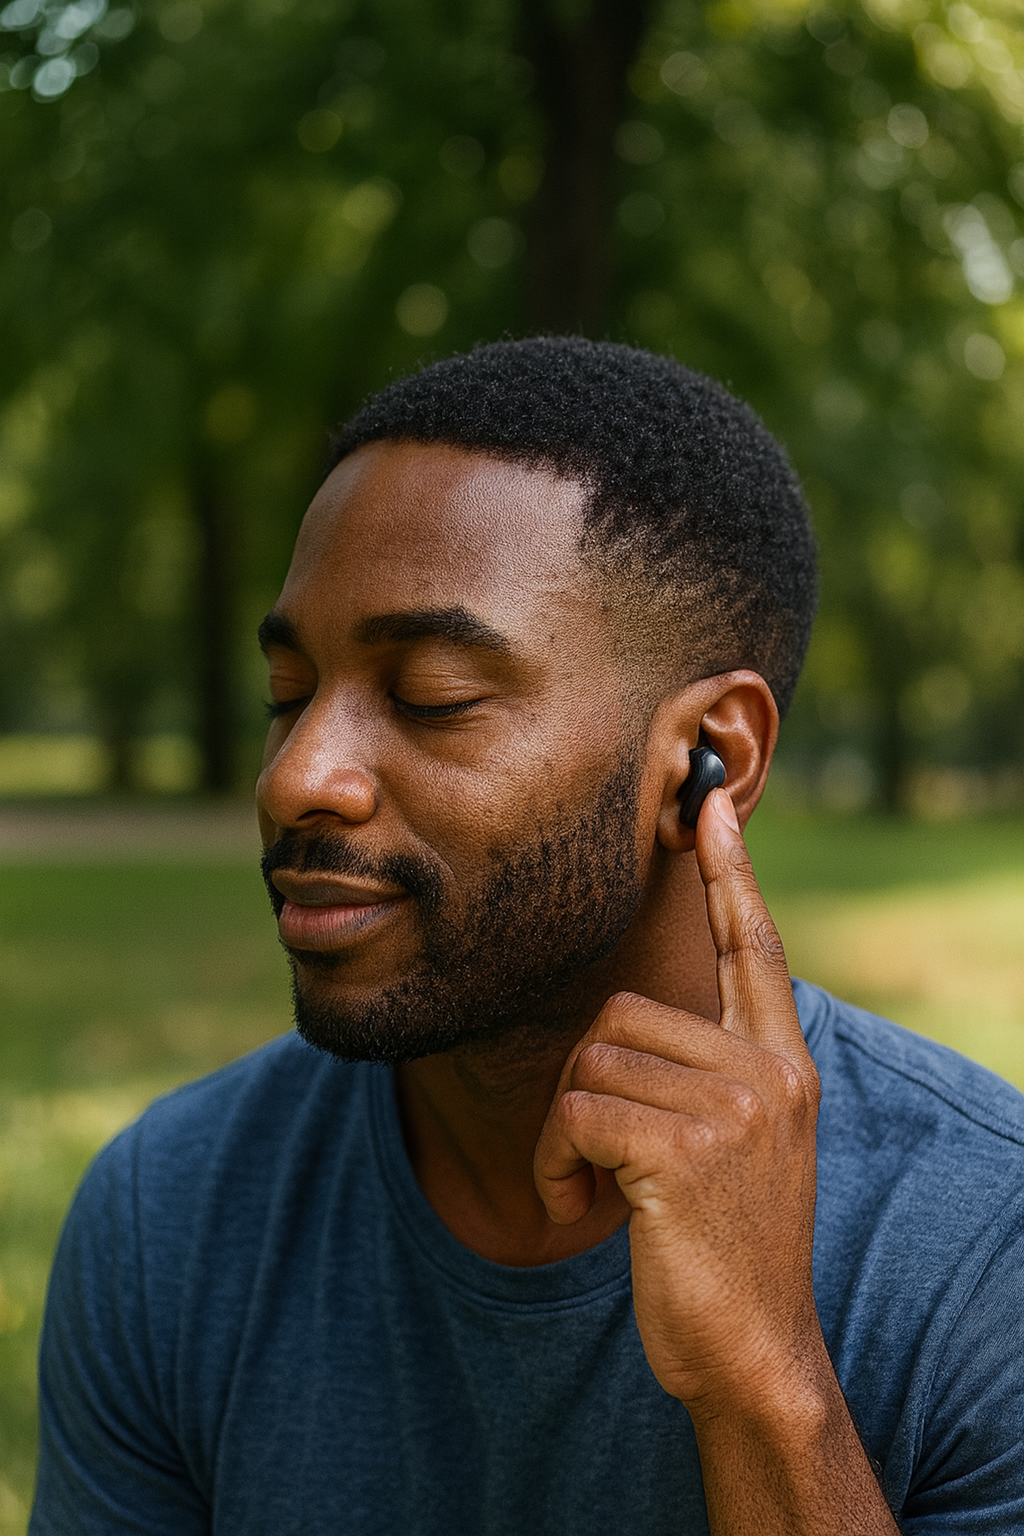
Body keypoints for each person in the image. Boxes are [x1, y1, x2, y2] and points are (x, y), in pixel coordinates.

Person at [31, 338, 1024, 1535]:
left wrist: (764, 1382)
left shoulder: (982, 1245)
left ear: (711, 759)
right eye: (288, 694)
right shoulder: (170, 1218)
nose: (298, 775)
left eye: (432, 695)